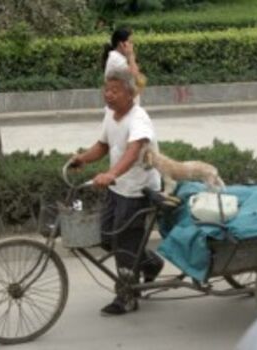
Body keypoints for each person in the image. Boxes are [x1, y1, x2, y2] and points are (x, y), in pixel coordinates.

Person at [70, 69, 164, 316]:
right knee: (106, 237)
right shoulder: (111, 115)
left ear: (130, 93)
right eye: (106, 89)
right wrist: (83, 158)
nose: (108, 95)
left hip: (138, 191)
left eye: (115, 90)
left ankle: (127, 296)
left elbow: (133, 152)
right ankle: (151, 263)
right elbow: (103, 145)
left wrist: (111, 174)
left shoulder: (139, 119)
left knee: (125, 244)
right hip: (118, 188)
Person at [102, 28, 146, 103]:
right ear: (122, 44)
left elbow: (137, 77)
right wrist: (131, 55)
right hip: (121, 109)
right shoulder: (115, 58)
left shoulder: (121, 58)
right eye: (130, 42)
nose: (132, 45)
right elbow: (135, 74)